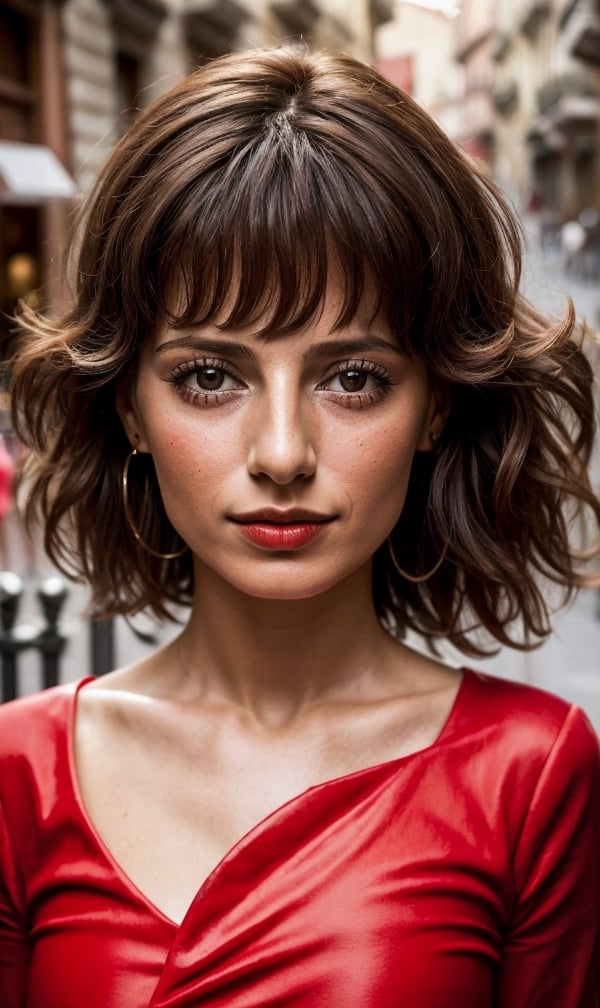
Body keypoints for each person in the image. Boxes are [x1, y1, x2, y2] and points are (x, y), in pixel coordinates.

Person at [1, 45, 599, 1008]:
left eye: (353, 378)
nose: (282, 452)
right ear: (127, 407)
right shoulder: (17, 777)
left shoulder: (530, 776)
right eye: (210, 375)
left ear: (436, 404)